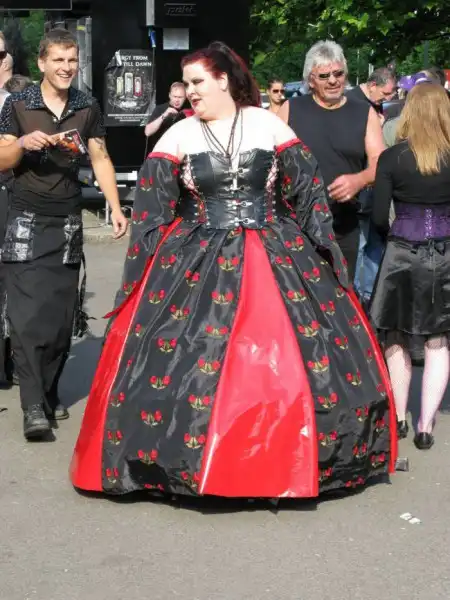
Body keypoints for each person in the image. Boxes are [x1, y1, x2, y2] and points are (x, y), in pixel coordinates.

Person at [71, 41, 396, 501]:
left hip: (273, 246)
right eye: (188, 83)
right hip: (196, 252)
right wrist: (146, 270)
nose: (191, 91)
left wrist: (322, 250)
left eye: (198, 82)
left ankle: (280, 460)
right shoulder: (179, 135)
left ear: (223, 80)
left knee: (282, 350)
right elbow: (152, 208)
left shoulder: (267, 124)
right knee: (185, 355)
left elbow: (306, 189)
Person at [0, 28, 128, 440]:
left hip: (68, 221)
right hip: (25, 219)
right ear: (42, 63)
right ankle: (33, 406)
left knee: (58, 320)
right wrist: (23, 143)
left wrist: (115, 207)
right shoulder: (19, 103)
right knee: (27, 318)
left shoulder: (87, 104)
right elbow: (2, 158)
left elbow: (100, 157)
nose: (66, 67)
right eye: (58, 59)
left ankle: (49, 392)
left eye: (72, 60)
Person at [370, 84, 450, 450]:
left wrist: (394, 237)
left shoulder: (391, 158)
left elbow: (377, 216)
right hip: (444, 255)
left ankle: (399, 417)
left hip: (401, 252)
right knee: (438, 339)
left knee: (396, 334)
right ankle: (425, 425)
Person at [278, 41, 385, 282]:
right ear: (310, 80)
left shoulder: (363, 112)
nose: (333, 81)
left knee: (342, 291)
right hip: (297, 224)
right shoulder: (291, 108)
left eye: (338, 73)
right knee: (299, 294)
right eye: (324, 76)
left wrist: (359, 180)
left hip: (343, 224)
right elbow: (272, 161)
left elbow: (380, 161)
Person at [144, 81, 188, 150]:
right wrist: (164, 115)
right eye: (175, 96)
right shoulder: (160, 109)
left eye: (180, 97)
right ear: (169, 95)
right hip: (161, 151)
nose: (177, 100)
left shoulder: (187, 111)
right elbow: (147, 132)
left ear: (185, 97)